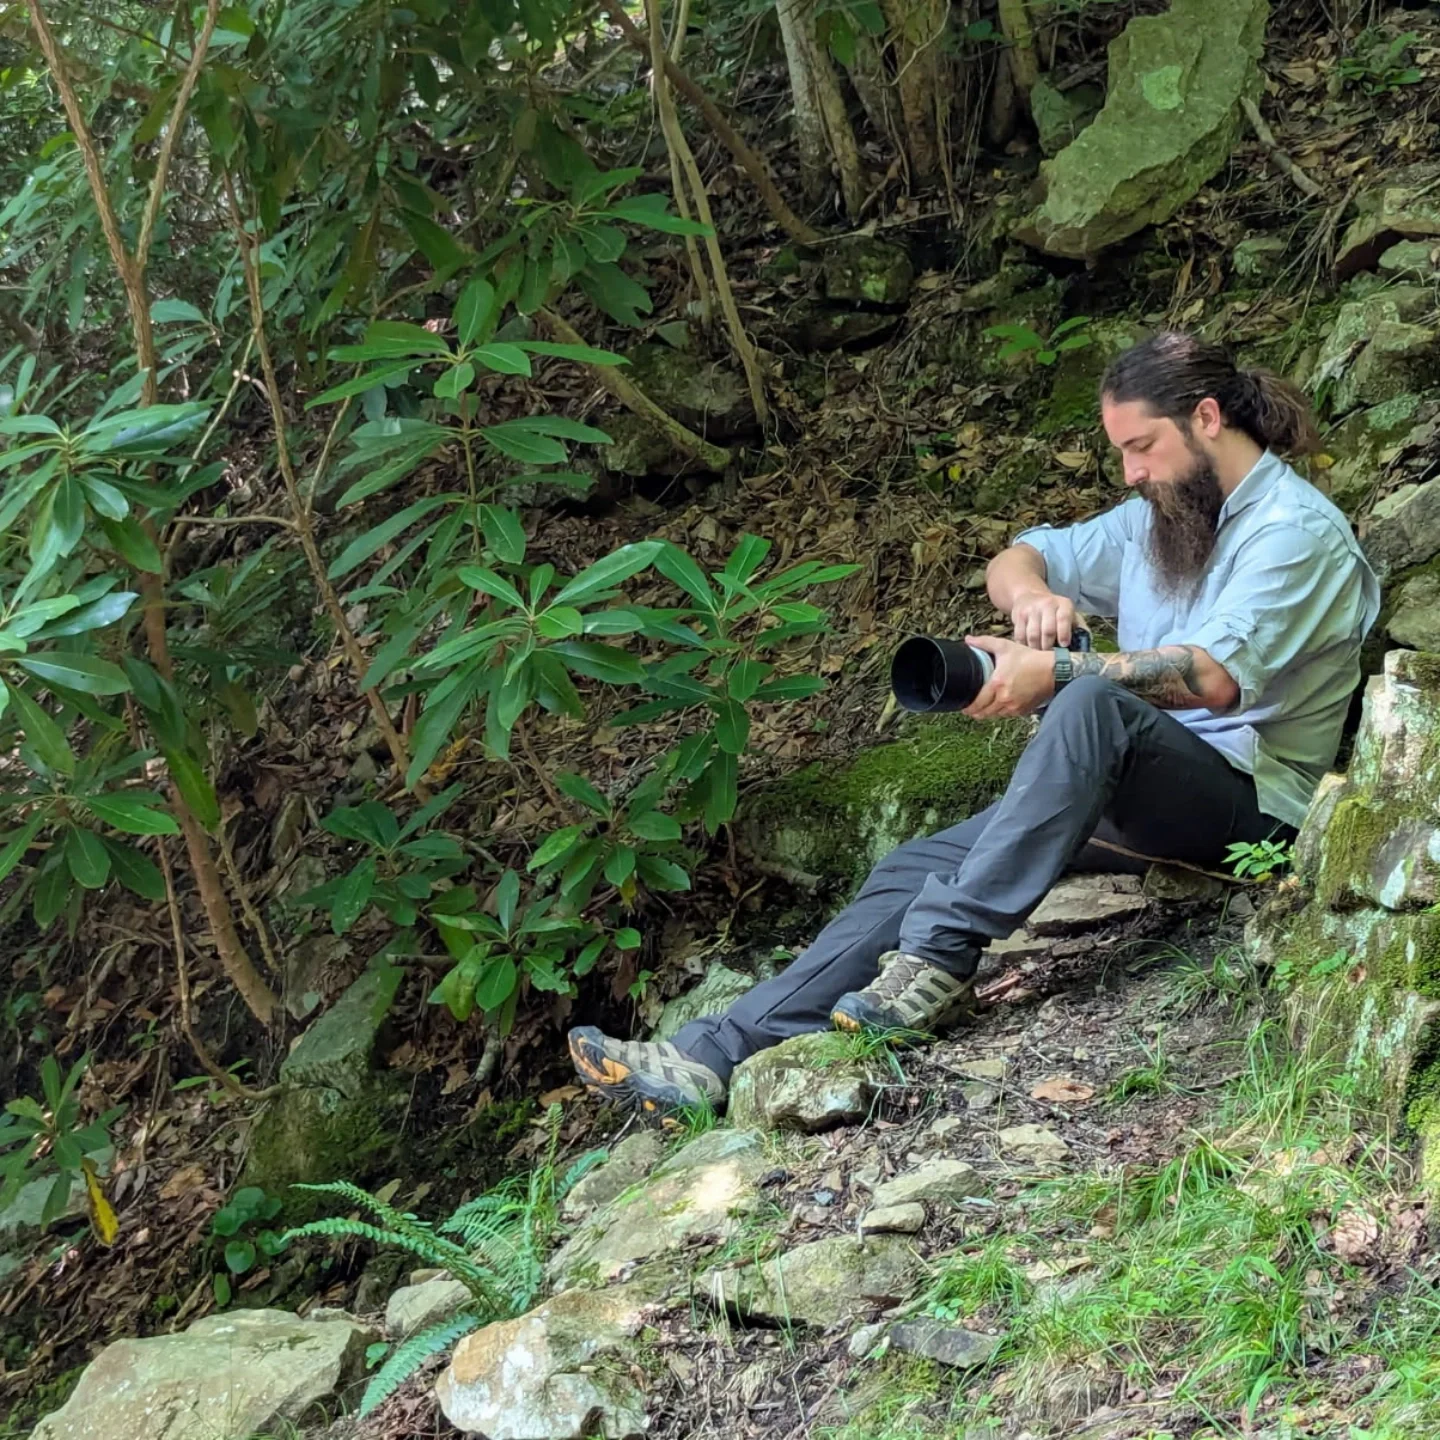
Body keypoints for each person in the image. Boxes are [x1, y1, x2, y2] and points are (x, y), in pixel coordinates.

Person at [568, 331, 1381, 1114]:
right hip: (1136, 786)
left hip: (1256, 808)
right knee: (916, 863)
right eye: (1120, 454)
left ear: (1207, 419)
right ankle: (710, 1056)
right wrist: (1033, 600)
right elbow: (1019, 555)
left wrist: (1055, 672)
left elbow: (1213, 679)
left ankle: (937, 959)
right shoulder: (1159, 516)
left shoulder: (1295, 534)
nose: (1130, 474)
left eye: (1143, 447)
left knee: (1092, 700)